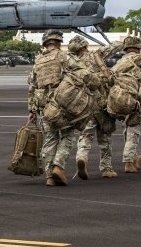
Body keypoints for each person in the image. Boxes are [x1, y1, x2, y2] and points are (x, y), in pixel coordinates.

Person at [28, 30, 98, 186]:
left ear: (45, 43)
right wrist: (96, 82)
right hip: (64, 104)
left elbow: (32, 86)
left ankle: (49, 177)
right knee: (67, 136)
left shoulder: (38, 61)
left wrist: (32, 110)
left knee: (50, 139)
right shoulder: (66, 57)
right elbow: (84, 73)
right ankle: (58, 166)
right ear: (59, 42)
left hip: (46, 107)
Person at [72, 36, 122, 179]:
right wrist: (123, 42)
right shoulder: (96, 55)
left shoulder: (72, 62)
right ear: (85, 46)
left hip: (83, 104)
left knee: (85, 136)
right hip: (101, 102)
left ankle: (81, 158)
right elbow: (116, 46)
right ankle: (106, 168)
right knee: (105, 136)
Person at [110, 36, 141, 173]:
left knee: (127, 127)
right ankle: (129, 161)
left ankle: (132, 156)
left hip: (120, 98)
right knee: (134, 129)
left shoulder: (120, 62)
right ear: (139, 47)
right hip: (136, 99)